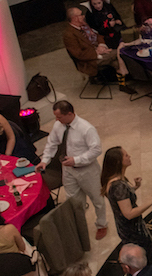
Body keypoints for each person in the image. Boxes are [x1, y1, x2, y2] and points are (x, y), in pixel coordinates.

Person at [37, 100, 107, 240]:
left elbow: (96, 150)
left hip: (87, 171)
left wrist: (76, 160)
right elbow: (52, 143)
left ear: (69, 114)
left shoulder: (86, 128)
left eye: (59, 117)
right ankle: (78, 227)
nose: (56, 120)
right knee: (73, 200)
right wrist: (45, 160)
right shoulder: (59, 125)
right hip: (68, 171)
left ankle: (102, 224)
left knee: (97, 199)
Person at [99, 147, 152, 264]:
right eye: (126, 155)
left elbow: (120, 198)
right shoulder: (118, 186)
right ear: (119, 162)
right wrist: (151, 201)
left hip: (126, 229)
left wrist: (134, 187)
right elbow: (128, 213)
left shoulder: (114, 180)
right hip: (133, 232)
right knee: (150, 260)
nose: (129, 157)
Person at [62, 6, 131, 93]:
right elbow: (78, 54)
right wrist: (96, 52)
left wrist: (101, 46)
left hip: (98, 52)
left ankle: (122, 85)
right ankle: (128, 77)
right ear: (75, 18)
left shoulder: (84, 26)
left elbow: (98, 35)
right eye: (80, 15)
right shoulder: (69, 35)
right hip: (89, 61)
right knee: (119, 52)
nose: (83, 16)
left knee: (117, 62)